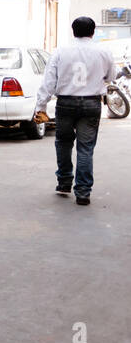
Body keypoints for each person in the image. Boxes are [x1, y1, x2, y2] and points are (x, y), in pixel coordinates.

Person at [33, 16, 115, 206]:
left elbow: (49, 82)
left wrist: (40, 107)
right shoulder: (104, 51)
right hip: (91, 103)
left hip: (66, 103)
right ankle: (83, 192)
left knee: (63, 142)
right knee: (85, 148)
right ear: (93, 32)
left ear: (73, 31)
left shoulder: (60, 51)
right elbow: (110, 76)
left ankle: (64, 182)